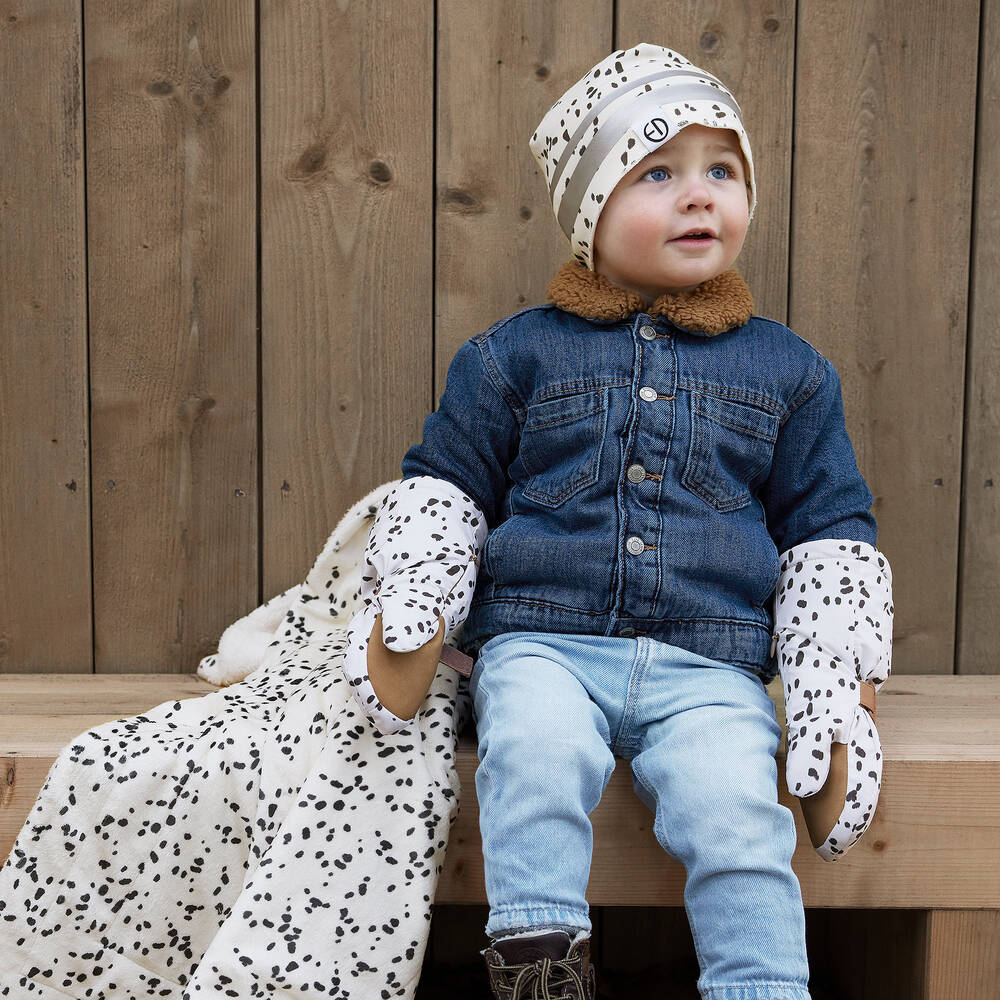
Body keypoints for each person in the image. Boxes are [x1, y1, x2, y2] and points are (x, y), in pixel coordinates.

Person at [346, 43, 894, 1000]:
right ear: (592, 210)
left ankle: (763, 985)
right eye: (659, 173)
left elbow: (828, 531)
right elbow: (447, 487)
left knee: (738, 815)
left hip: (709, 665)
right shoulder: (514, 355)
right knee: (534, 758)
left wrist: (831, 687)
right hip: (545, 648)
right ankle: (541, 970)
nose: (700, 196)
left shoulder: (791, 372)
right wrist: (420, 601)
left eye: (722, 171)